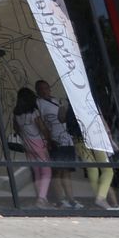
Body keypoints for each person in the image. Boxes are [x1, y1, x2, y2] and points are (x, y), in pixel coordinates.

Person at [35, 79, 81, 209]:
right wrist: (48, 140)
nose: (45, 90)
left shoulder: (56, 101)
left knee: (67, 170)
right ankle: (60, 200)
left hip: (67, 138)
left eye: (46, 88)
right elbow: (41, 123)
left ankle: (71, 199)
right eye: (41, 89)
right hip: (55, 140)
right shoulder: (38, 104)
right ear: (37, 91)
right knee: (57, 171)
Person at [12, 86, 53, 209]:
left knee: (36, 171)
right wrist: (49, 139)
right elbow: (42, 128)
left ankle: (40, 197)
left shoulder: (16, 114)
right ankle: (42, 198)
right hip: (39, 143)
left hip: (27, 144)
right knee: (46, 171)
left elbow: (16, 129)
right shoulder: (33, 112)